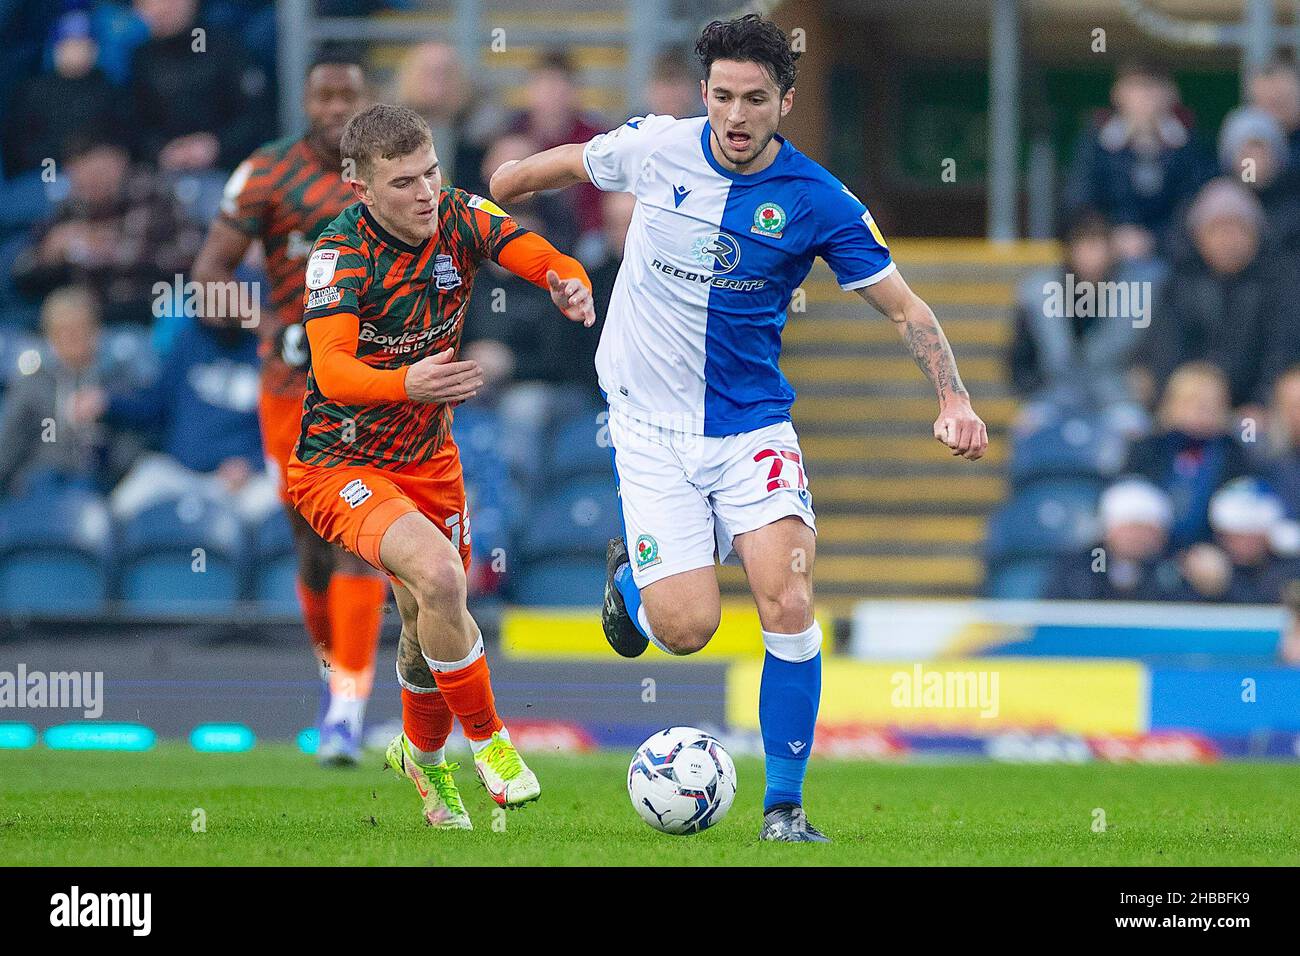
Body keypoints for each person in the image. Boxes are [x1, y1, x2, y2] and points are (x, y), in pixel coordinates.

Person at [489, 14, 988, 842]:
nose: (736, 114)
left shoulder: (819, 200)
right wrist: (493, 196)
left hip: (750, 426)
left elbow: (905, 308)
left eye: (755, 98)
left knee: (787, 597)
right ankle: (633, 594)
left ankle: (785, 811)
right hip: (647, 427)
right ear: (705, 94)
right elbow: (543, 170)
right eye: (722, 95)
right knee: (687, 631)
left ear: (785, 101)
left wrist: (955, 398)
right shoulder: (656, 146)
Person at [286, 104, 595, 828]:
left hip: (429, 460)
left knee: (430, 626)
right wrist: (408, 383)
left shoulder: (456, 213)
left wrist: (566, 278)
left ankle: (423, 765)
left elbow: (530, 247)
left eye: (430, 172)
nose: (425, 192)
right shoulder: (340, 256)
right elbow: (331, 372)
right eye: (403, 182)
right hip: (341, 462)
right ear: (359, 188)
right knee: (441, 575)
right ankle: (491, 744)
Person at [191, 56, 379, 767]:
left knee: (355, 535)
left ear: (367, 101)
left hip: (367, 386)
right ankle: (335, 677)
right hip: (291, 387)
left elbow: (440, 258)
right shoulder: (266, 174)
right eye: (324, 95)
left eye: (348, 96)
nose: (335, 107)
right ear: (304, 99)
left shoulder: (397, 172)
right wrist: (265, 325)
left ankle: (348, 708)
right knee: (309, 541)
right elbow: (208, 276)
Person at [1062, 59, 1215, 260]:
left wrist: (1154, 240)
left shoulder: (1190, 146)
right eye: (1135, 87)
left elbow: (1196, 205)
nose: (1144, 97)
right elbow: (1080, 201)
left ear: (1171, 94)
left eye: (1152, 87)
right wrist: (1112, 236)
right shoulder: (1093, 143)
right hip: (1105, 257)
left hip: (1173, 258)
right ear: (1117, 94)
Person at [0, 287, 135, 497]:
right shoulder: (31, 386)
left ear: (96, 331)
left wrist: (106, 448)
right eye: (63, 330)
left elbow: (132, 445)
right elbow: (8, 444)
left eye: (80, 329)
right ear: (50, 336)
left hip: (100, 482)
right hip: (41, 481)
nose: (72, 338)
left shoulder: (117, 384)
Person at [1125, 361, 1252, 549]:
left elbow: (1241, 520)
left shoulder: (1234, 455)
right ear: (1170, 403)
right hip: (1150, 552)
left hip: (1211, 554)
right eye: (1192, 401)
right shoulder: (1146, 449)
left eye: (1211, 403)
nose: (1201, 410)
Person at [1045, 479, 1187, 601]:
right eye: (1129, 527)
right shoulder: (1081, 566)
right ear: (1108, 531)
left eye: (1145, 529)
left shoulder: (1176, 570)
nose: (1136, 537)